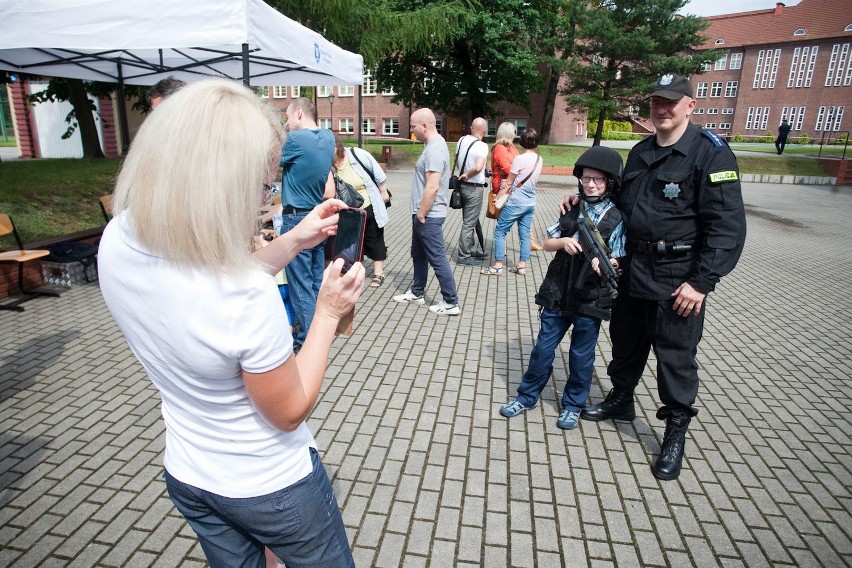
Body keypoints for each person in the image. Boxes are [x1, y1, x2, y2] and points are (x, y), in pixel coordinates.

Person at [98, 79, 362, 567]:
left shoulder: (120, 237)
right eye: (262, 186)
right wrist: (326, 314)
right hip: (270, 486)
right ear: (219, 182)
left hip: (189, 472)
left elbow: (201, 295)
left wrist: (295, 240)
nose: (266, 201)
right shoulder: (244, 295)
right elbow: (287, 410)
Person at [576, 74, 746, 481]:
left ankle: (674, 430)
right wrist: (584, 198)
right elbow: (622, 200)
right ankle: (621, 398)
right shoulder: (641, 151)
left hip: (679, 276)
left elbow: (727, 228)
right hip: (633, 267)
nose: (662, 109)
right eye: (656, 102)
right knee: (626, 338)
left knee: (675, 355)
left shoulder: (711, 154)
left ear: (690, 105)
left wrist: (702, 282)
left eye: (671, 102)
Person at [500, 146, 625, 429]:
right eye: (586, 178)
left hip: (590, 296)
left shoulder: (617, 217)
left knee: (581, 355)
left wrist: (608, 264)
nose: (590, 184)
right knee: (543, 349)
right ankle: (526, 396)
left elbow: (619, 254)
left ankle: (572, 405)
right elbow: (546, 243)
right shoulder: (572, 208)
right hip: (558, 291)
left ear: (610, 183)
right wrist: (564, 243)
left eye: (598, 179)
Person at [275, 97, 336, 350]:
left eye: (288, 118)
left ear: (299, 113)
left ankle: (308, 341)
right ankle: (314, 331)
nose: (287, 124)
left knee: (300, 284)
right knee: (311, 282)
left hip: (296, 218)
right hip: (317, 215)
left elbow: (268, 160)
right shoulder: (329, 137)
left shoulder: (296, 140)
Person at [393, 108, 461, 316]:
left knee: (437, 257)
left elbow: (432, 186)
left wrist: (422, 213)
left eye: (413, 126)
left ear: (425, 125)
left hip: (428, 215)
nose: (412, 131)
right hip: (423, 213)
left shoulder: (434, 149)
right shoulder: (432, 146)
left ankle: (451, 301)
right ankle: (417, 292)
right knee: (418, 254)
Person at [325, 136, 392, 287]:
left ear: (337, 145)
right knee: (350, 242)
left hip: (369, 205)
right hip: (347, 211)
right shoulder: (327, 166)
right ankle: (353, 270)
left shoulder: (356, 154)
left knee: (374, 239)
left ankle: (378, 273)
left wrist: (383, 192)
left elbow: (377, 172)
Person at [481, 127, 543, 276]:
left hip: (515, 202)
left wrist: (497, 198)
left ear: (521, 142)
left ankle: (497, 265)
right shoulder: (539, 159)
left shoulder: (519, 159)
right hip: (530, 203)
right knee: (525, 234)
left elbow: (508, 182)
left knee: (499, 232)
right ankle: (521, 266)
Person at [491, 122, 542, 252]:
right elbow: (509, 168)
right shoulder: (500, 148)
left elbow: (515, 168)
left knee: (504, 228)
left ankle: (500, 259)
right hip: (513, 192)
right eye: (513, 131)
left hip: (514, 191)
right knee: (509, 226)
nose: (515, 134)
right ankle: (515, 258)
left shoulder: (512, 148)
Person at [455, 117, 489, 265]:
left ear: (472, 128)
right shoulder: (482, 146)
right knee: (469, 223)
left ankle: (471, 249)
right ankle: (464, 257)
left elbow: (457, 160)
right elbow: (478, 167)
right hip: (474, 188)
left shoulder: (461, 140)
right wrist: (468, 174)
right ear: (485, 130)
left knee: (470, 220)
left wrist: (463, 173)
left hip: (462, 186)